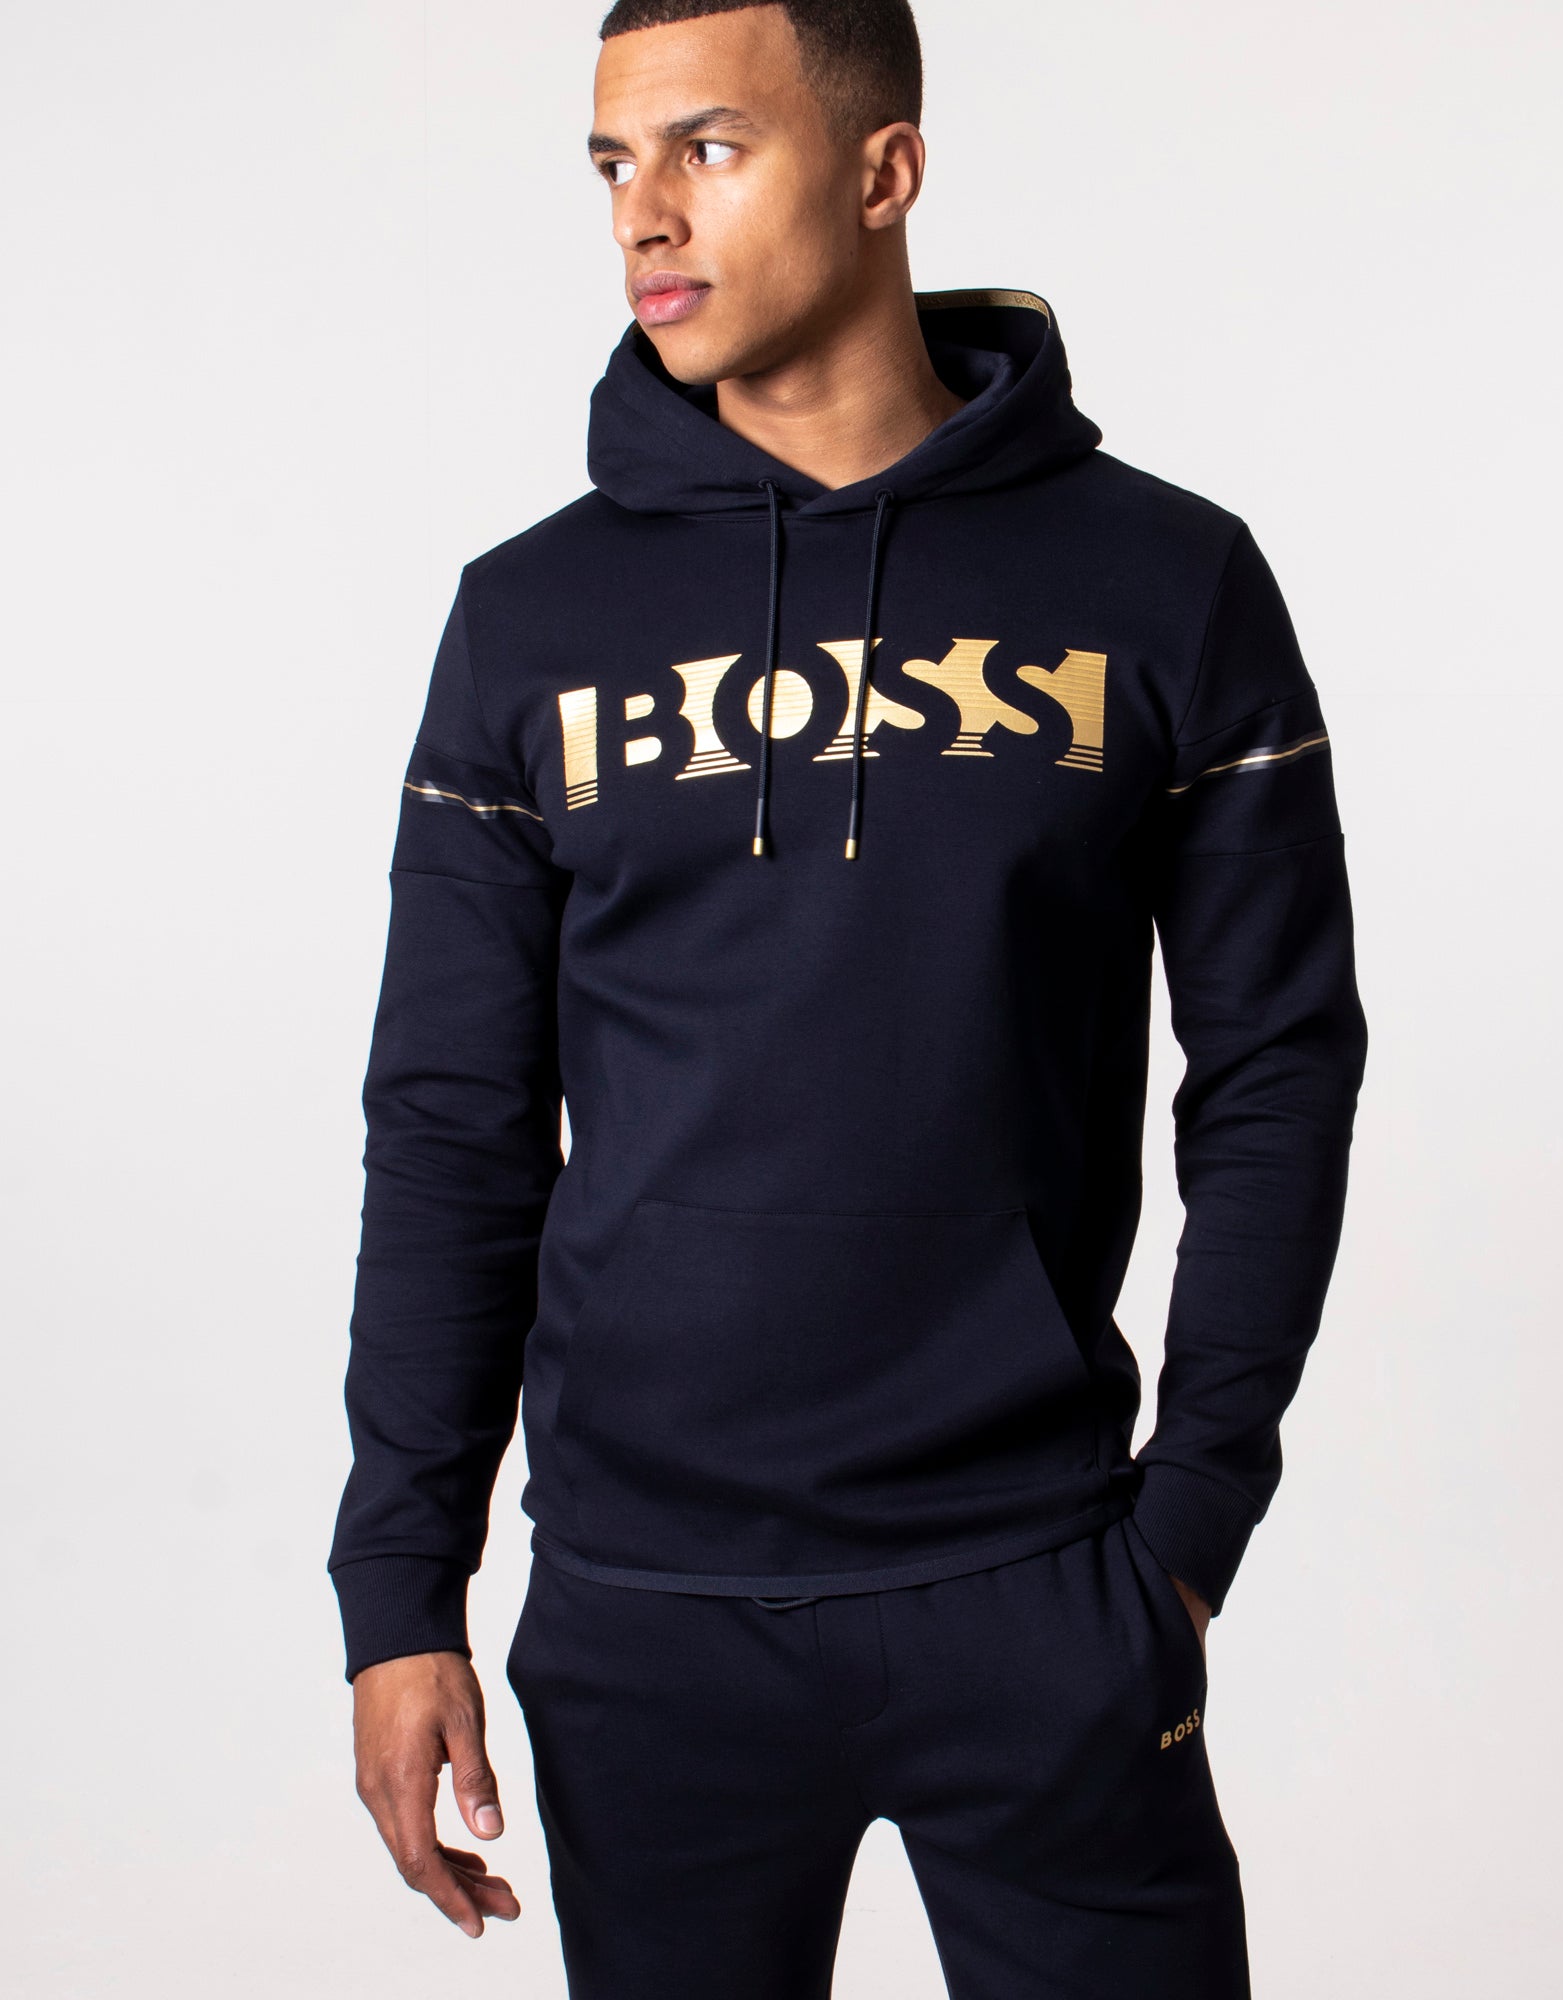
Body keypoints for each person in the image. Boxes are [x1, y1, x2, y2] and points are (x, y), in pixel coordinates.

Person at [327, 2, 1370, 1993]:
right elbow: (452, 1120)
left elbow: (1275, 1073)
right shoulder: (531, 616)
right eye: (614, 163)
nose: (645, 213)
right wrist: (401, 1585)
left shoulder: (1166, 581)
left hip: (1041, 1581)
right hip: (646, 1609)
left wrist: (1189, 1532)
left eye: (709, 147)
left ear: (885, 171)